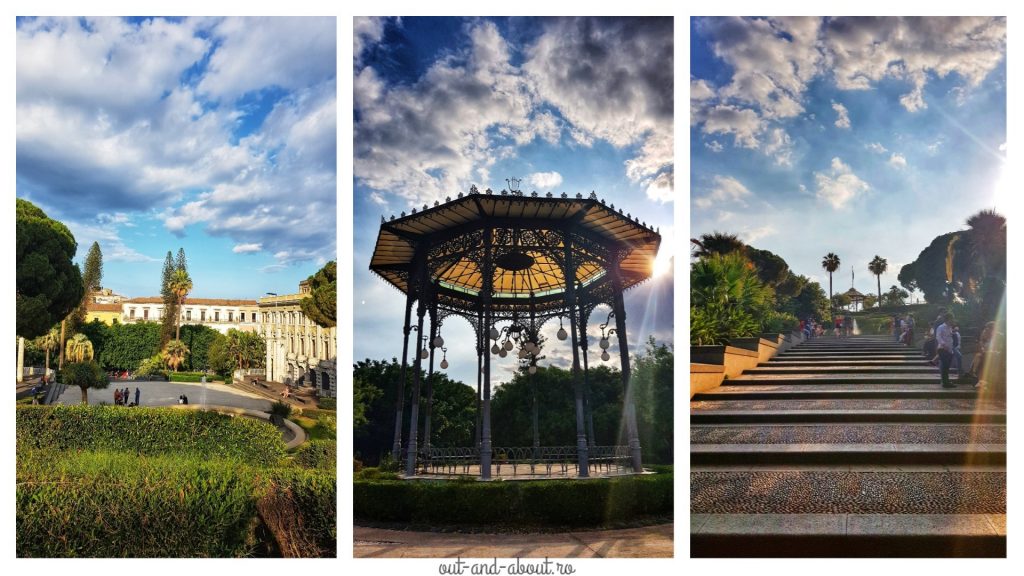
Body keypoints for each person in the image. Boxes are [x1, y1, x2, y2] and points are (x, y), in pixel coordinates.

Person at [934, 315, 954, 388]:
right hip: (943, 349)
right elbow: (938, 337)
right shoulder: (941, 327)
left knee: (947, 366)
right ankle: (945, 382)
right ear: (947, 320)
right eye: (951, 319)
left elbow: (949, 337)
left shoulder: (950, 327)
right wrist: (944, 345)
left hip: (949, 349)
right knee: (945, 366)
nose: (952, 321)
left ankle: (946, 381)